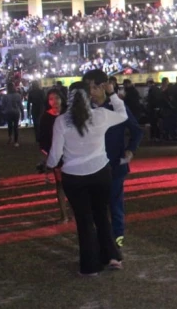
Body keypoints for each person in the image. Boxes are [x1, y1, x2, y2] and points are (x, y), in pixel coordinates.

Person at [46, 78, 129, 276]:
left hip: (74, 177)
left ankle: (90, 266)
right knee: (101, 215)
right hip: (100, 172)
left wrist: (48, 166)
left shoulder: (61, 121)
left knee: (84, 221)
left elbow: (55, 154)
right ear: (88, 96)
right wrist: (112, 94)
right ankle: (112, 256)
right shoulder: (100, 115)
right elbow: (122, 114)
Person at [83, 69, 143, 252]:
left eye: (94, 87)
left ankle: (117, 241)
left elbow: (137, 130)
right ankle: (100, 241)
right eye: (88, 88)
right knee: (95, 208)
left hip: (115, 165)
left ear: (103, 87)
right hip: (91, 167)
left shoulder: (117, 108)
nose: (91, 92)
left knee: (115, 205)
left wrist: (131, 149)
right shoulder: (84, 110)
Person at [38, 89, 70, 223]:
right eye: (51, 99)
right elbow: (43, 138)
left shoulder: (69, 115)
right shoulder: (46, 117)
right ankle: (64, 215)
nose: (54, 101)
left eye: (56, 98)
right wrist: (48, 154)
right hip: (56, 155)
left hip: (72, 153)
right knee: (60, 185)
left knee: (74, 184)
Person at [1, 83, 24, 147]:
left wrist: (4, 111)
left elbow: (3, 106)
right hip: (16, 112)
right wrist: (22, 113)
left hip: (8, 112)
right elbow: (20, 105)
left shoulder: (5, 96)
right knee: (16, 126)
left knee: (10, 126)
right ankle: (16, 141)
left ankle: (10, 137)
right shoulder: (18, 95)